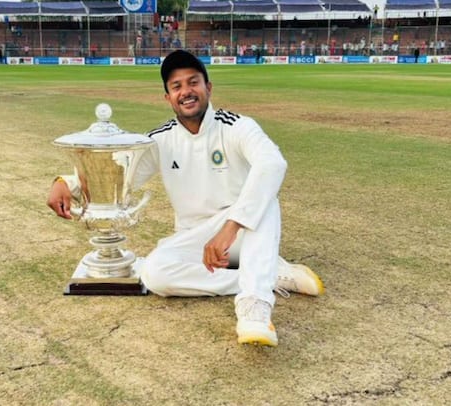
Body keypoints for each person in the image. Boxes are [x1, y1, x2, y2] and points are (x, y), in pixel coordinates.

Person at [47, 50, 324, 347]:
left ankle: (254, 307)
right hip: (194, 241)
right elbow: (120, 174)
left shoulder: (237, 126)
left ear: (208, 87)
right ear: (167, 97)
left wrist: (228, 229)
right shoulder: (160, 139)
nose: (186, 92)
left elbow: (273, 164)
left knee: (265, 198)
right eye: (176, 86)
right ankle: (271, 273)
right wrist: (67, 182)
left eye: (193, 82)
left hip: (243, 235)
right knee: (155, 275)